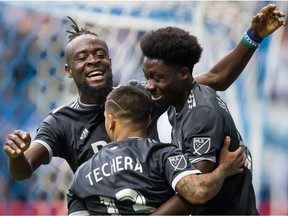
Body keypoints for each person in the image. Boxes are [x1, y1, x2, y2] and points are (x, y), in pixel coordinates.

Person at [3, 4, 285, 182]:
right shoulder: (60, 122)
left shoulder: (137, 97)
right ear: (68, 71)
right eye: (82, 57)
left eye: (99, 54)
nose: (93, 60)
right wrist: (16, 157)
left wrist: (253, 36)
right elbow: (24, 169)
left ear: (110, 62)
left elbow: (214, 78)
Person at [139, 4, 286, 215]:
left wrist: (224, 170)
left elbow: (196, 193)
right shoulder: (184, 91)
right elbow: (217, 77)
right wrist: (253, 36)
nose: (149, 86)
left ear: (182, 74)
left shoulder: (201, 115)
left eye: (157, 78)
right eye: (147, 77)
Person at [67, 85, 245, 215]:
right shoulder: (164, 155)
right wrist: (224, 169)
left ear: (111, 120)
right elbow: (198, 193)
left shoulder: (81, 176)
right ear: (149, 119)